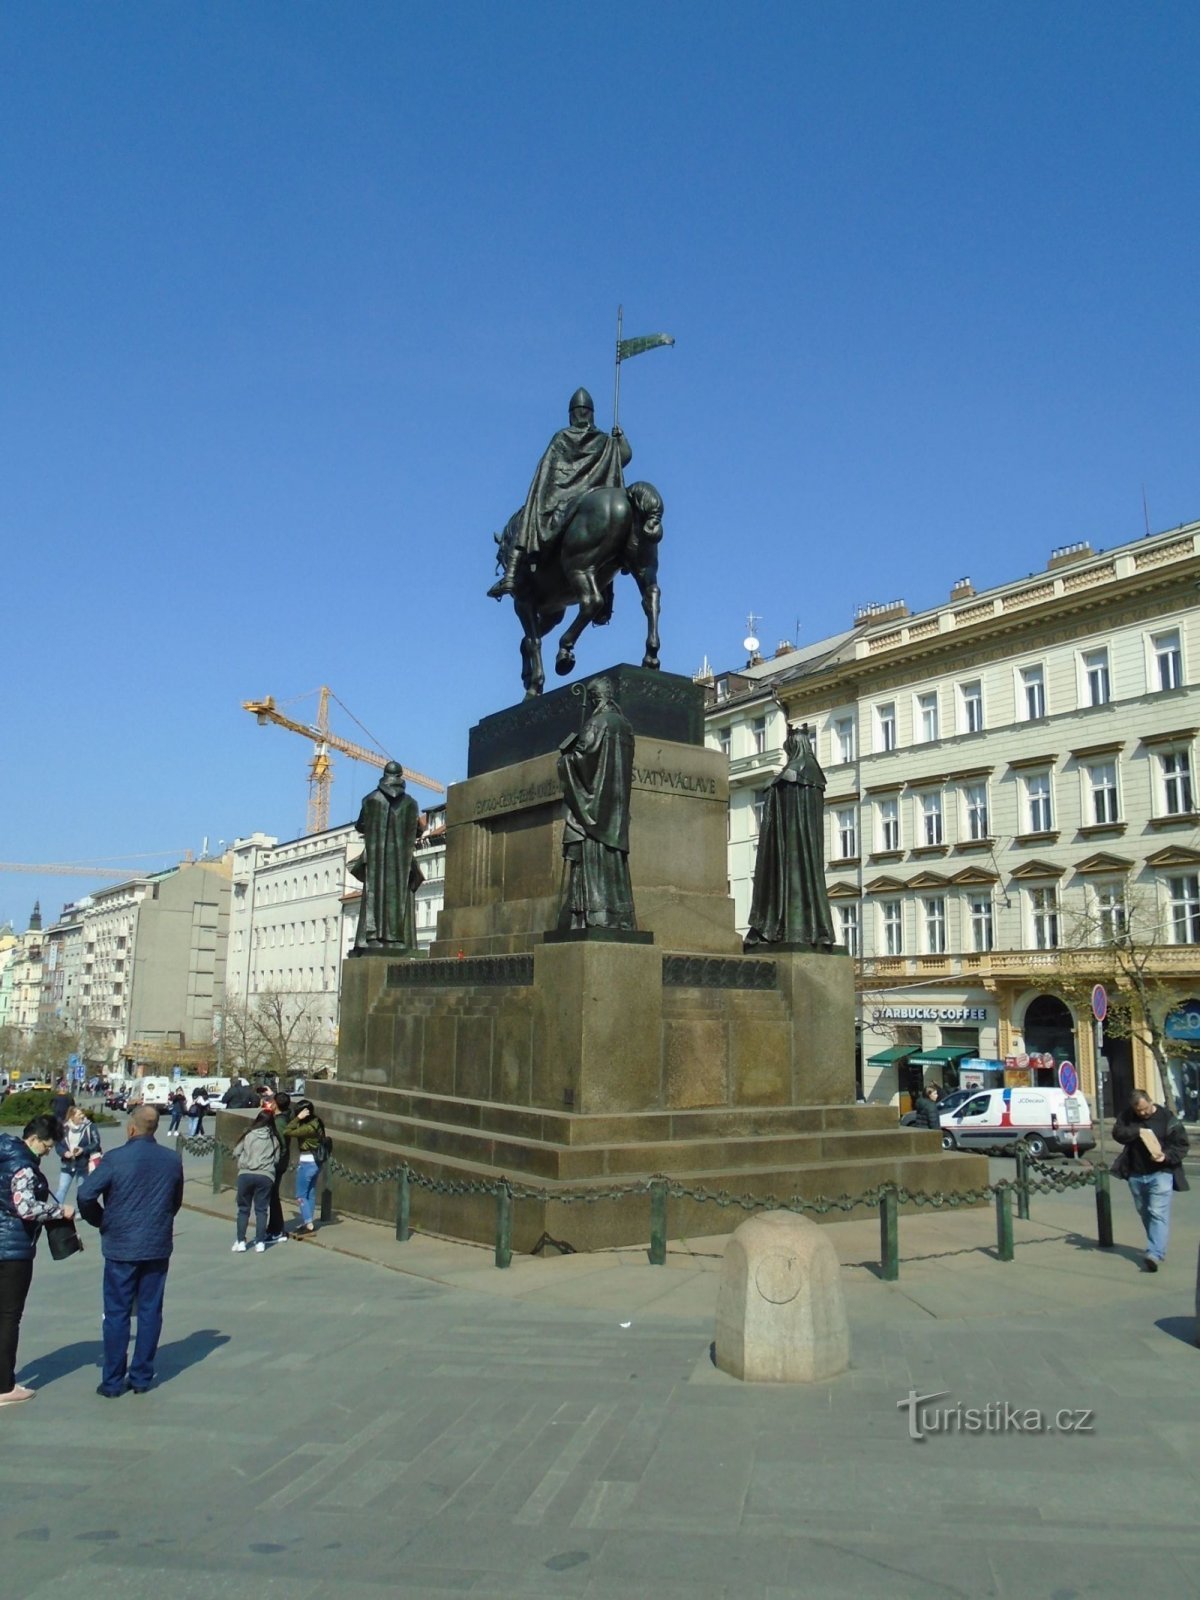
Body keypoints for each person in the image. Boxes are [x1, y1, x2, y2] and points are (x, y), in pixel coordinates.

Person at [77, 1105, 184, 1397]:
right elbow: (175, 1201)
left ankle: (112, 1381)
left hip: (121, 1245)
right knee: (150, 1311)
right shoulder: (172, 1159)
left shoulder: (115, 1159)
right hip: (156, 1244)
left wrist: (102, 1220)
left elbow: (85, 1194)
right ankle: (141, 1377)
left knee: (117, 1313)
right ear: (155, 1128)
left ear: (131, 1128)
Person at [487, 388, 632, 599]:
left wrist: (541, 495)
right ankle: (606, 601)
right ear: (591, 413)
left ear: (572, 414)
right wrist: (621, 440)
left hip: (561, 498)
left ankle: (510, 575)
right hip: (593, 494)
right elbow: (623, 458)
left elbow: (544, 475)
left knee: (529, 514)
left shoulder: (562, 437)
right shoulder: (604, 440)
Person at [744, 722, 837, 950]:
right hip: (800, 843)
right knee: (802, 881)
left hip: (791, 841)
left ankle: (789, 929)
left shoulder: (796, 770)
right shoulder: (813, 773)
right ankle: (807, 929)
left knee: (791, 881)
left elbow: (783, 796)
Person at [0, 1114, 71, 1406]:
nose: (47, 1151)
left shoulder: (4, 1154)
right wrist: (60, 1211)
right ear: (33, 1139)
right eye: (46, 1145)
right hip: (12, 1250)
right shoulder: (23, 1166)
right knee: (7, 1317)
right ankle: (4, 1387)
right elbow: (26, 1208)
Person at [556, 676, 636, 931]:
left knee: (593, 864)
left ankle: (596, 915)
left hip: (594, 813)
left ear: (594, 699)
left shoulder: (595, 724)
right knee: (614, 867)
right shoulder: (625, 726)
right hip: (617, 811)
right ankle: (619, 916)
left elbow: (582, 760)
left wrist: (566, 758)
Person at [1111, 1088, 1190, 1271]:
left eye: (1145, 1109)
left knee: (1157, 1212)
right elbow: (1118, 1134)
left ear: (1150, 1101)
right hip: (1136, 1174)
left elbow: (1181, 1144)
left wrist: (1166, 1156)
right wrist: (1138, 1130)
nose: (1143, 1113)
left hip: (1161, 1172)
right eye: (1138, 1111)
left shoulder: (1166, 1118)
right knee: (1144, 1211)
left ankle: (1155, 1253)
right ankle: (1156, 1243)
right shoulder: (1128, 1116)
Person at [351, 761, 421, 953]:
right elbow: (418, 830)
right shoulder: (411, 803)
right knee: (401, 898)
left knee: (374, 896)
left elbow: (360, 825)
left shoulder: (370, 799)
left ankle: (372, 938)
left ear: (384, 775)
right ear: (400, 776)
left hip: (375, 861)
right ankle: (398, 940)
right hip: (401, 863)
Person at [231, 1110, 282, 1254]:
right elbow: (276, 1159)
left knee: (243, 1209)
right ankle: (260, 1242)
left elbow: (236, 1152)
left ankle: (241, 1241)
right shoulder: (274, 1138)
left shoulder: (248, 1134)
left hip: (245, 1173)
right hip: (265, 1175)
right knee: (261, 1210)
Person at [282, 1099, 327, 1238]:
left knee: (301, 1195)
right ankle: (309, 1221)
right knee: (310, 1193)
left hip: (307, 1162)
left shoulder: (309, 1128)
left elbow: (287, 1131)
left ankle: (309, 1224)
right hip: (315, 1163)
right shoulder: (317, 1122)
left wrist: (297, 1119)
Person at [54, 1105, 102, 1204]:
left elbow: (96, 1143)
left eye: (82, 1114)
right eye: (79, 1114)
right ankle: (56, 1210)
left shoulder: (90, 1127)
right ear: (72, 1116)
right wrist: (64, 1152)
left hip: (83, 1164)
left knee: (81, 1191)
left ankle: (81, 1212)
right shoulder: (64, 1128)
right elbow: (58, 1145)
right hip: (67, 1163)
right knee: (62, 1189)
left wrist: (83, 1150)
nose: (82, 1116)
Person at [264, 1090, 292, 1242]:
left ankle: (277, 1229)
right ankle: (273, 1228)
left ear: (275, 1104)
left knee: (273, 1196)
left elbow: (281, 1146)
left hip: (277, 1163)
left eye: (272, 1101)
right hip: (279, 1162)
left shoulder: (280, 1122)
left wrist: (274, 1160)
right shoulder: (285, 1116)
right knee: (271, 1195)